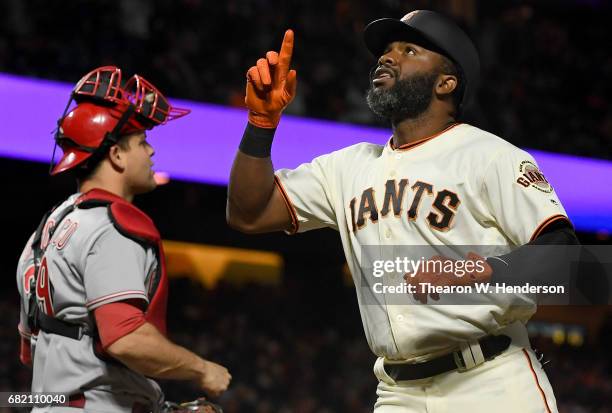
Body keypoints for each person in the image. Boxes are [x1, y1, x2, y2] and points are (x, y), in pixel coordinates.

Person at [227, 10, 579, 413]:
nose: (387, 57)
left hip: (491, 382)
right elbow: (248, 214)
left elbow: (566, 260)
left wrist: (479, 271)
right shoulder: (348, 167)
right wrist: (260, 123)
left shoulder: (491, 156)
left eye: (409, 49)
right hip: (399, 393)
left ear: (447, 82)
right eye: (386, 50)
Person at [17, 66, 231, 412]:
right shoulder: (110, 227)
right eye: (142, 142)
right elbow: (126, 339)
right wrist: (202, 369)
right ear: (116, 155)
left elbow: (29, 351)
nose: (151, 152)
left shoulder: (46, 230)